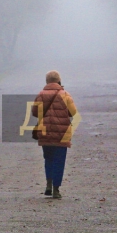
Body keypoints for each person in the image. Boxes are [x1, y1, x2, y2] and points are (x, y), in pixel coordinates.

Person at [32, 70, 79, 199]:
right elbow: (73, 112)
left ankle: (48, 184)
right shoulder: (65, 95)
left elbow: (35, 112)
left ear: (47, 81)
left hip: (45, 132)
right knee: (59, 161)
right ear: (59, 81)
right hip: (61, 134)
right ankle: (56, 189)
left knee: (49, 159)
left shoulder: (41, 95)